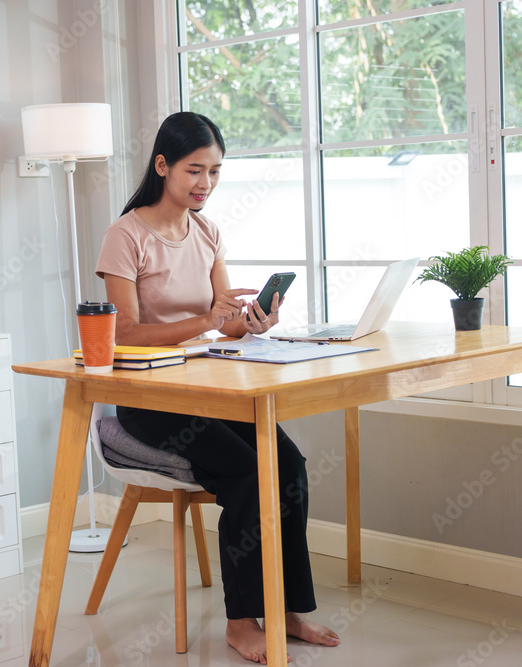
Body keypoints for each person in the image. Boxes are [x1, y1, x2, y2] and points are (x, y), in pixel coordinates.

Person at [95, 112, 339, 664]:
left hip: (205, 386)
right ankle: (240, 621)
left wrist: (250, 322)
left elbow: (222, 321)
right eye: (194, 170)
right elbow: (123, 334)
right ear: (162, 166)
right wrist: (207, 320)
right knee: (249, 473)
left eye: (215, 171)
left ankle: (286, 609)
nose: (205, 182)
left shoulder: (206, 232)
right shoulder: (125, 236)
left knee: (289, 465)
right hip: (149, 399)